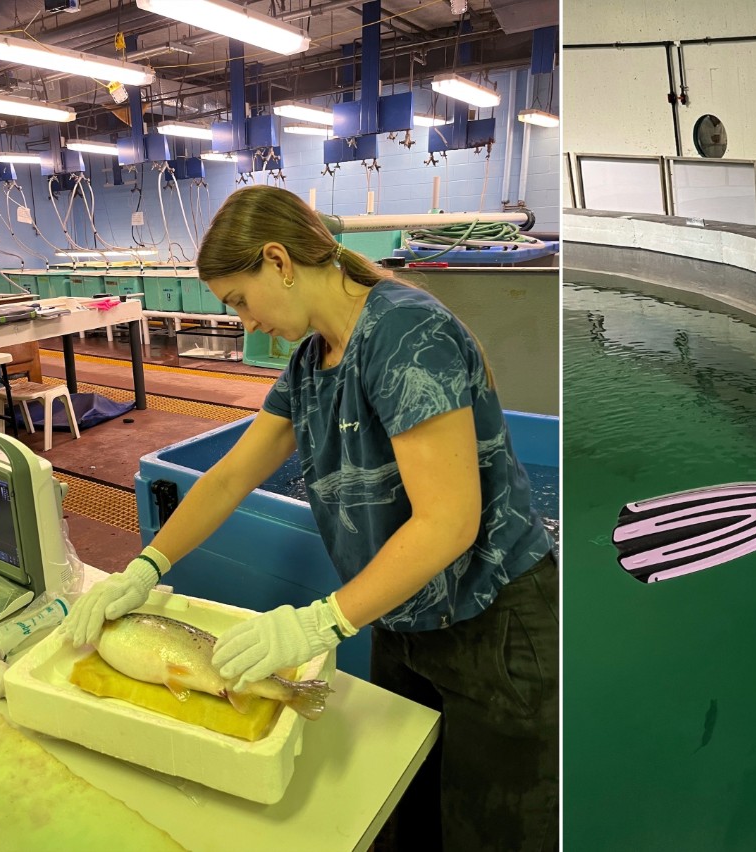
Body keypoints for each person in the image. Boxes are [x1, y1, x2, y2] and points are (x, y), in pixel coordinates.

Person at [60, 185, 558, 851]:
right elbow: (233, 474)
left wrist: (325, 620)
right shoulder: (310, 362)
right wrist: (146, 566)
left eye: (239, 300)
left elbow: (449, 522)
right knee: (401, 807)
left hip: (494, 621)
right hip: (402, 618)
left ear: (278, 260)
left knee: (488, 829)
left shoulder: (406, 336)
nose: (245, 322)